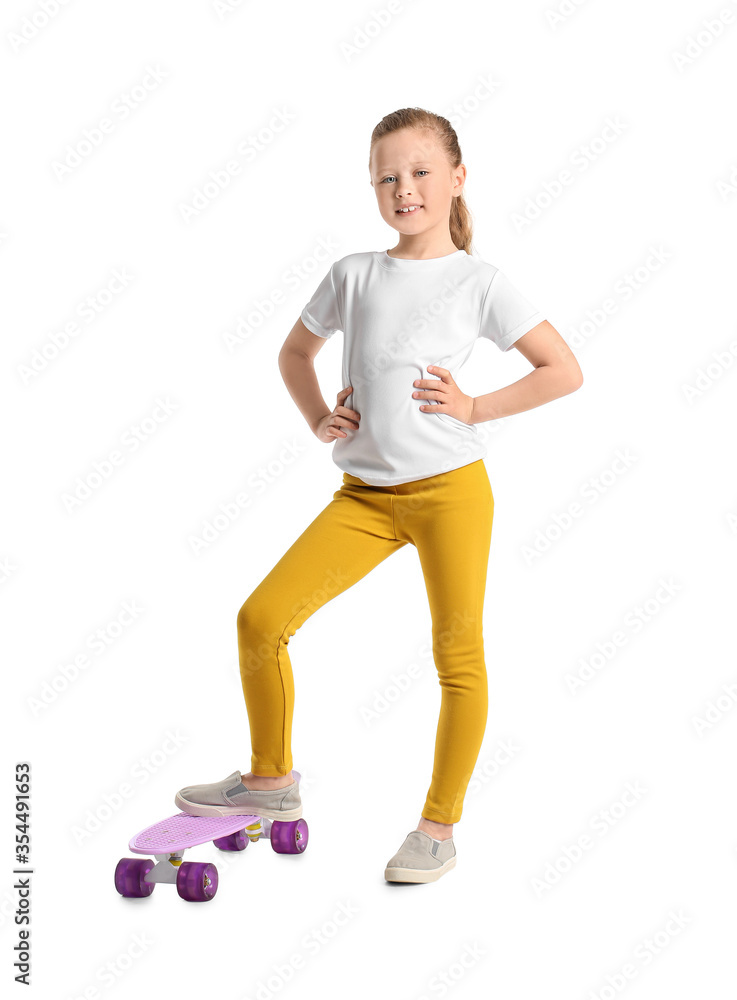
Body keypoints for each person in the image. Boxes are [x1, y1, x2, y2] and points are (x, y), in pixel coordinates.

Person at [174, 107, 583, 883]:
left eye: (421, 172)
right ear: (372, 188)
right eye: (386, 177)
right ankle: (269, 782)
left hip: (450, 494)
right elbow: (295, 352)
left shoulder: (479, 281)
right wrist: (319, 417)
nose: (405, 189)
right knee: (260, 619)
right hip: (362, 498)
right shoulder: (353, 273)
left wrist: (473, 407)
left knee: (455, 656)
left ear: (457, 179)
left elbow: (561, 369)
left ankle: (438, 826)